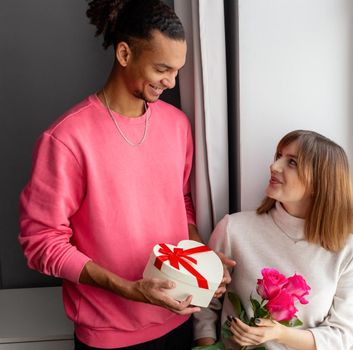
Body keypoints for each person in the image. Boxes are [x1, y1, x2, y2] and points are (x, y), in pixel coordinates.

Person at [18, 0, 233, 349]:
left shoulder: (177, 125)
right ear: (124, 54)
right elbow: (41, 243)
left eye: (177, 70)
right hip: (108, 337)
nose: (171, 81)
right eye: (162, 68)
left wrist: (200, 260)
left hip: (179, 320)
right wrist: (130, 289)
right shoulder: (66, 139)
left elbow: (180, 203)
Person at [193, 130, 353, 349]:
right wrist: (206, 347)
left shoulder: (349, 249)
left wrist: (280, 334)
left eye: (292, 162)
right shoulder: (233, 229)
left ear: (321, 181)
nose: (274, 167)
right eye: (278, 157)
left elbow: (342, 334)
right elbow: (205, 302)